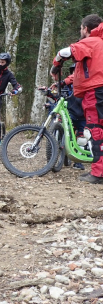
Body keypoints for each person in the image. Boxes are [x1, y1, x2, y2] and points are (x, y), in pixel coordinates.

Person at [52, 13, 103, 184]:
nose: (80, 31)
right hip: (97, 90)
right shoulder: (100, 44)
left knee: (95, 129)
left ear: (86, 29)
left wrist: (55, 66)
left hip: (95, 91)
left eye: (81, 28)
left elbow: (65, 52)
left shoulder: (91, 41)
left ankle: (98, 173)